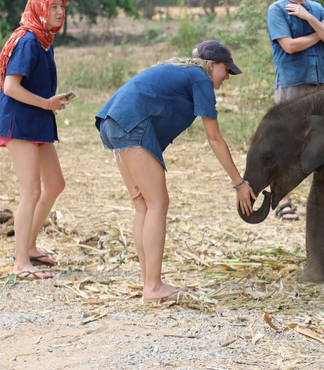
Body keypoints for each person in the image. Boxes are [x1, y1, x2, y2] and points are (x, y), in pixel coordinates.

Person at [95, 40, 255, 302]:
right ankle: (153, 287)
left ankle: (149, 282)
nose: (228, 76)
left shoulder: (181, 71)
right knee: (158, 204)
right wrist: (239, 183)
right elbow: (214, 138)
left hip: (113, 123)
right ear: (212, 65)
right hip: (131, 125)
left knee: (144, 206)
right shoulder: (200, 78)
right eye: (226, 69)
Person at [0, 0, 70, 280]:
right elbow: (11, 88)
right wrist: (47, 104)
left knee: (55, 184)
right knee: (32, 190)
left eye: (62, 7)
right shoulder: (27, 41)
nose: (60, 13)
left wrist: (49, 105)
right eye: (53, 7)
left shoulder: (44, 40)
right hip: (20, 121)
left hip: (37, 120)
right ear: (39, 9)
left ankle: (30, 246)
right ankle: (20, 262)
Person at [266, 0, 324, 221]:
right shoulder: (276, 10)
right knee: (288, 143)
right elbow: (290, 46)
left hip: (319, 83)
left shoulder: (316, 8)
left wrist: (309, 18)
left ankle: (318, 203)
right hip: (291, 83)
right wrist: (319, 31)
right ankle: (282, 200)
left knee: (319, 142)